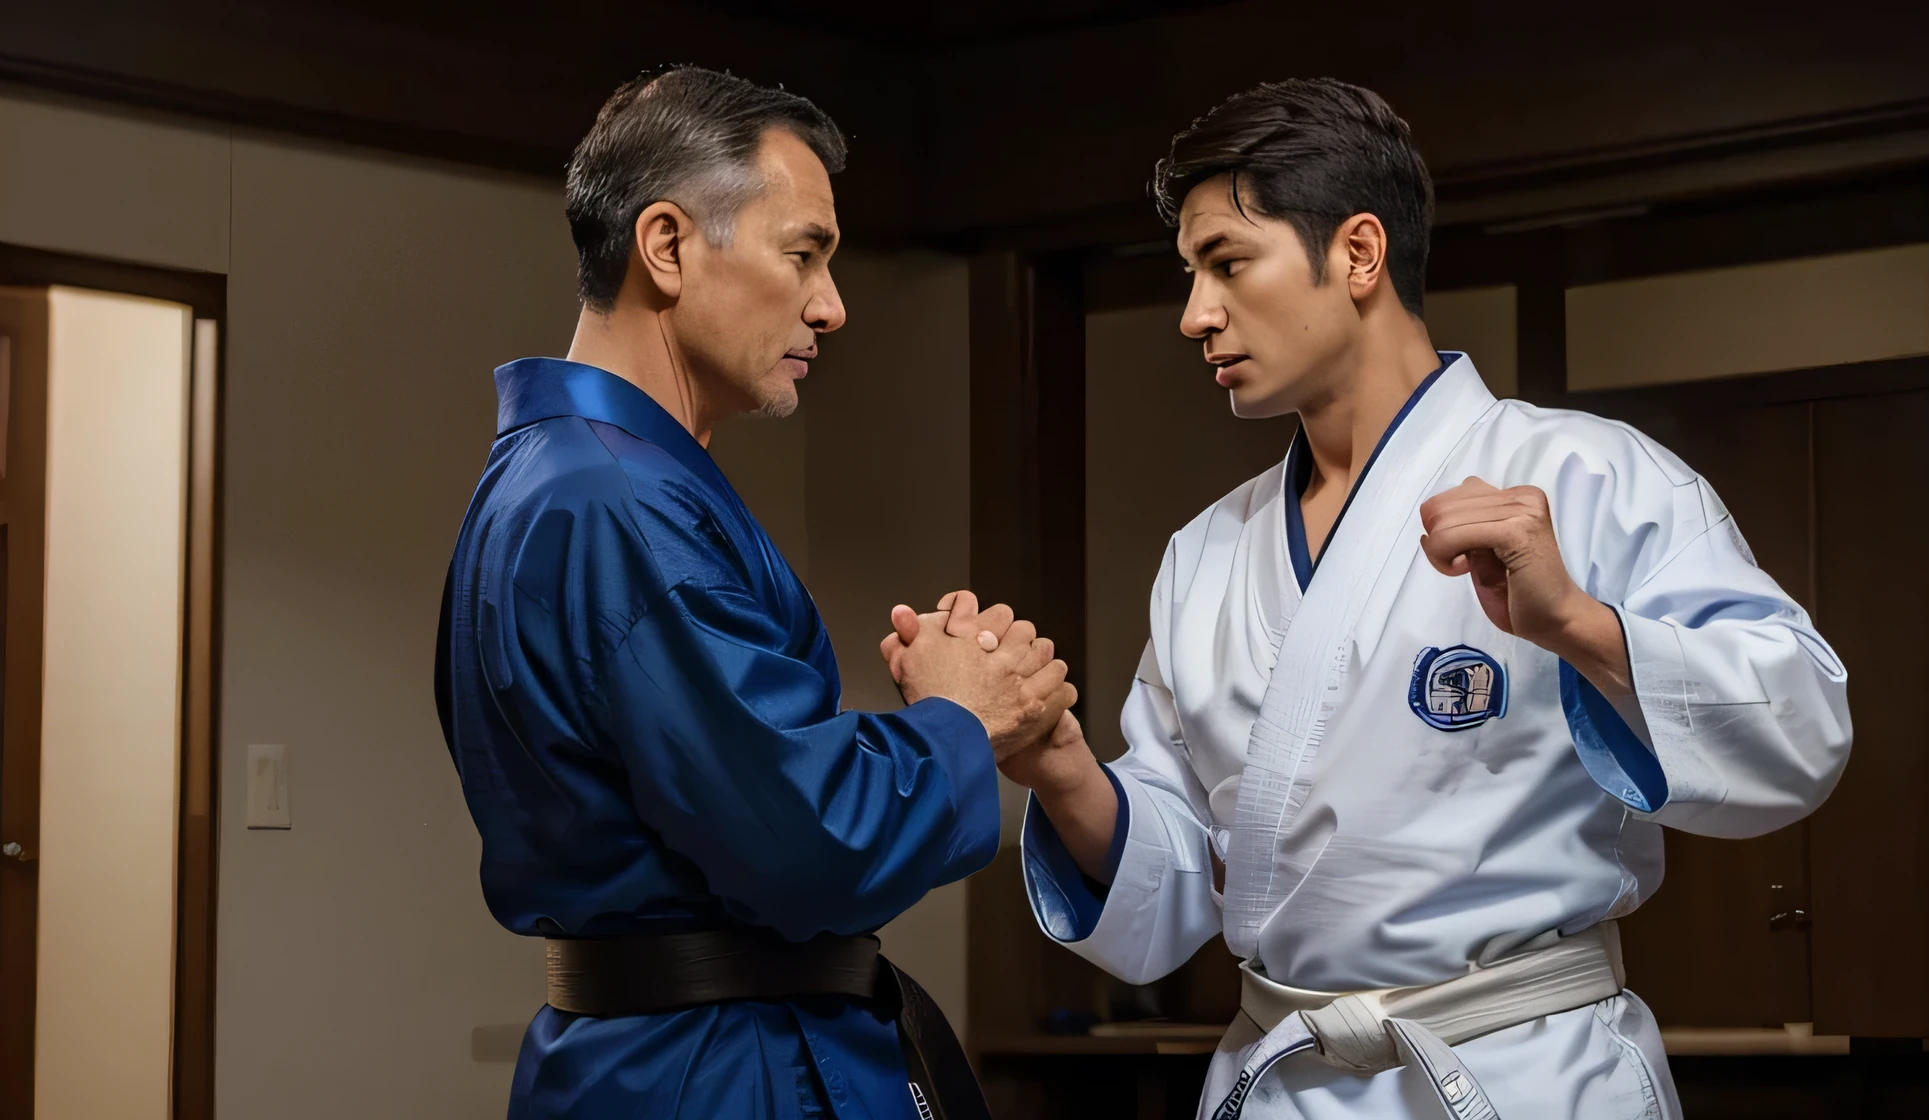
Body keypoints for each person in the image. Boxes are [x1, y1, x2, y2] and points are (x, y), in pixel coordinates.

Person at [901, 78, 1852, 1120]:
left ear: (1359, 253)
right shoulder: (1209, 553)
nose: (1193, 316)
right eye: (1187, 275)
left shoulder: (1586, 479)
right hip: (1283, 1075)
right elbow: (1176, 896)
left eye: (1225, 265)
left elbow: (1802, 729)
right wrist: (1059, 762)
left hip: (1520, 1075)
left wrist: (1577, 625)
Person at [434, 66, 1074, 1120]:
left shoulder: (564, 476)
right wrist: (964, 715)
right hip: (716, 1071)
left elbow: (726, 780)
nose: (831, 304)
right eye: (804, 254)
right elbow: (803, 840)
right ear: (670, 246)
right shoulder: (613, 499)